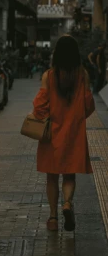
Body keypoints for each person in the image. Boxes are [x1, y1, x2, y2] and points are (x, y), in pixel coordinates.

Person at [33, 35, 95, 233]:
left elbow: (40, 107)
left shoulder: (49, 76)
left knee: (52, 177)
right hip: (74, 134)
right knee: (69, 176)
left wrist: (44, 116)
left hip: (52, 135)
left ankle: (52, 218)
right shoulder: (82, 75)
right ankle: (67, 203)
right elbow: (88, 105)